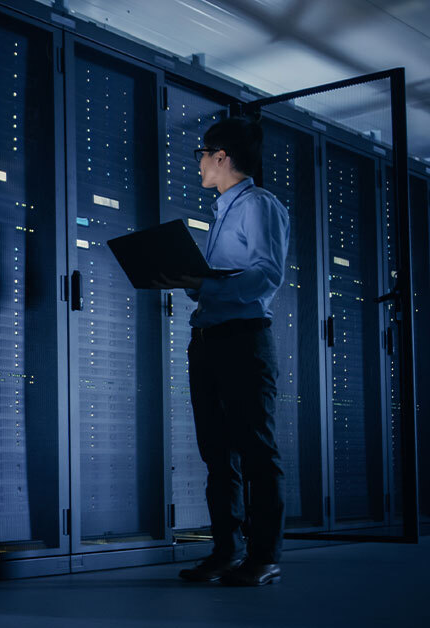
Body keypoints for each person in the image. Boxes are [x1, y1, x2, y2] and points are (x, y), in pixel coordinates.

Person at [153, 115, 289, 586]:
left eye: (201, 155)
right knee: (217, 454)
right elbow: (219, 285)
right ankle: (226, 553)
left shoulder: (258, 205)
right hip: (209, 341)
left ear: (221, 157)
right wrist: (193, 282)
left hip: (243, 340)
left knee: (255, 452)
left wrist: (207, 284)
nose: (198, 165)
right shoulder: (221, 214)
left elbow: (266, 274)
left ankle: (263, 557)